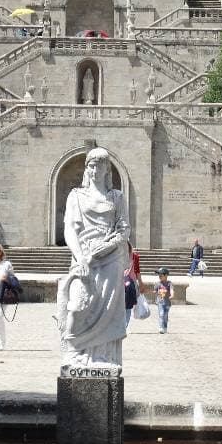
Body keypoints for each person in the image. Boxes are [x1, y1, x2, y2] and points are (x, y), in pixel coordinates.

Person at [57, 147, 130, 372]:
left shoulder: (117, 197)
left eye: (99, 165)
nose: (94, 169)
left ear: (107, 168)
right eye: (91, 165)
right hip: (83, 258)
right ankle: (72, 350)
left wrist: (104, 248)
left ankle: (104, 356)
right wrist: (81, 258)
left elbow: (124, 229)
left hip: (109, 259)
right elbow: (69, 229)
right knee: (77, 306)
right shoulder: (76, 196)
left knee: (106, 310)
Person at [124, 242, 139, 328]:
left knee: (126, 306)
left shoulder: (134, 257)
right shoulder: (134, 256)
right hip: (128, 284)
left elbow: (137, 271)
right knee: (128, 306)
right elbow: (137, 272)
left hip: (126, 284)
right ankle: (125, 325)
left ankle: (124, 325)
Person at [154, 267, 174, 333]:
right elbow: (155, 291)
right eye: (159, 275)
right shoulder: (157, 283)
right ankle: (161, 327)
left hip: (167, 302)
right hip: (160, 302)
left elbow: (171, 290)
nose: (159, 276)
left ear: (166, 275)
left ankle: (165, 327)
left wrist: (172, 295)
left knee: (165, 315)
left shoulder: (169, 283)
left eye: (161, 275)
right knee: (161, 314)